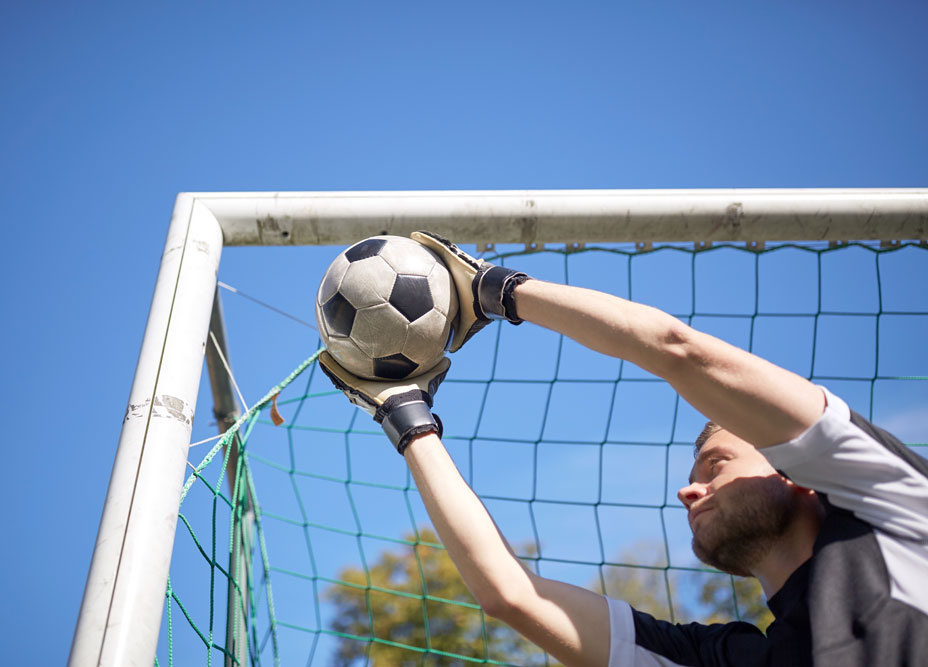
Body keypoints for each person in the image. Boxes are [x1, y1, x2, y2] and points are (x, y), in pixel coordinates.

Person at [318, 231, 928, 666]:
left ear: (799, 469)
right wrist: (405, 417)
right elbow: (510, 594)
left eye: (716, 464)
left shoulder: (898, 503)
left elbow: (675, 348)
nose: (690, 488)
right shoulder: (730, 657)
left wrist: (493, 289)